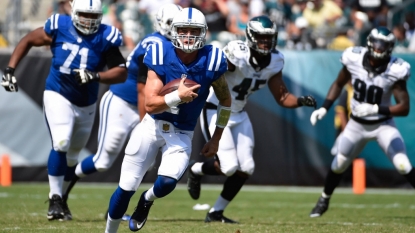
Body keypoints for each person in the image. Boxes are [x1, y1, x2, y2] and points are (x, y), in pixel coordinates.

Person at [104, 7, 232, 232]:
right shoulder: (160, 51)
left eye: (194, 31)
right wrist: (177, 96)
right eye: (183, 30)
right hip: (152, 126)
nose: (189, 36)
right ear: (174, 31)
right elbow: (150, 104)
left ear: (204, 33)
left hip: (182, 132)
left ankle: (147, 199)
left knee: (167, 183)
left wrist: (216, 138)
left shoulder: (213, 59)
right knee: (126, 187)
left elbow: (226, 101)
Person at [1, 0, 127, 221]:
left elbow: (121, 72)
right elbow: (29, 39)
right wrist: (10, 69)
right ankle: (55, 198)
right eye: (84, 15)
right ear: (73, 12)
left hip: (86, 102)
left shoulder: (106, 35)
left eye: (93, 16)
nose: (88, 20)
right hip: (58, 93)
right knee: (61, 142)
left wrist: (96, 76)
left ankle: (62, 199)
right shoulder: (59, 26)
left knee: (72, 157)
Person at [186, 15, 317, 223]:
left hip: (239, 113)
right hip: (216, 110)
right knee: (228, 167)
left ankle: (215, 213)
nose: (265, 41)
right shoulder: (237, 53)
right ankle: (196, 169)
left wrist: (300, 100)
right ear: (250, 36)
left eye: (268, 37)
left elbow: (282, 96)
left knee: (246, 168)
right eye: (260, 37)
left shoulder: (275, 61)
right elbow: (211, 72)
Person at [61, 3, 183, 221]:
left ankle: (114, 210)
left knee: (140, 163)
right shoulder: (155, 43)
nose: (175, 29)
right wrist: (146, 120)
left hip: (145, 106)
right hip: (123, 102)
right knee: (102, 162)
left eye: (178, 25)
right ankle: (61, 192)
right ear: (160, 24)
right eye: (170, 24)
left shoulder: (178, 46)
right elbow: (141, 88)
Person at [309, 26, 415, 218]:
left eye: (384, 45)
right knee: (339, 164)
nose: (380, 48)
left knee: (402, 164)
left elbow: (404, 108)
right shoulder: (354, 58)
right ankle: (324, 200)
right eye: (377, 43)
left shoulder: (395, 69)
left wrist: (376, 108)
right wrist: (324, 107)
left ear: (391, 47)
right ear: (369, 42)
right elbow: (338, 83)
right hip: (356, 125)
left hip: (383, 124)